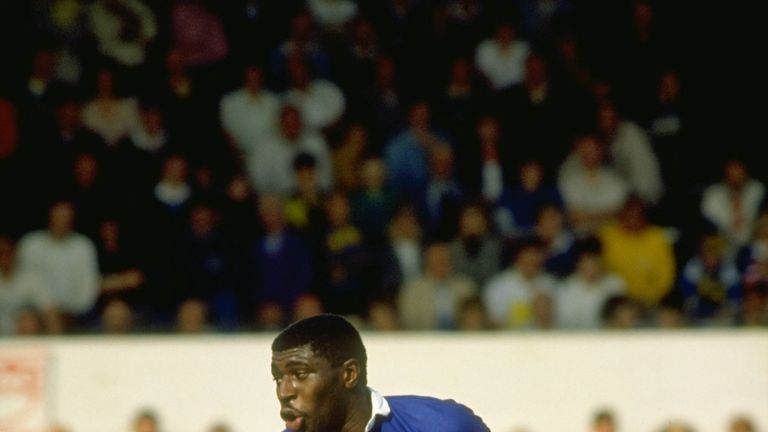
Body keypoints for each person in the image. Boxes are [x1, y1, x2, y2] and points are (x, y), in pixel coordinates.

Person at [271, 314, 490, 432]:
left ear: (349, 374)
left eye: (299, 374)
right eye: (277, 378)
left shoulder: (440, 425)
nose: (283, 392)